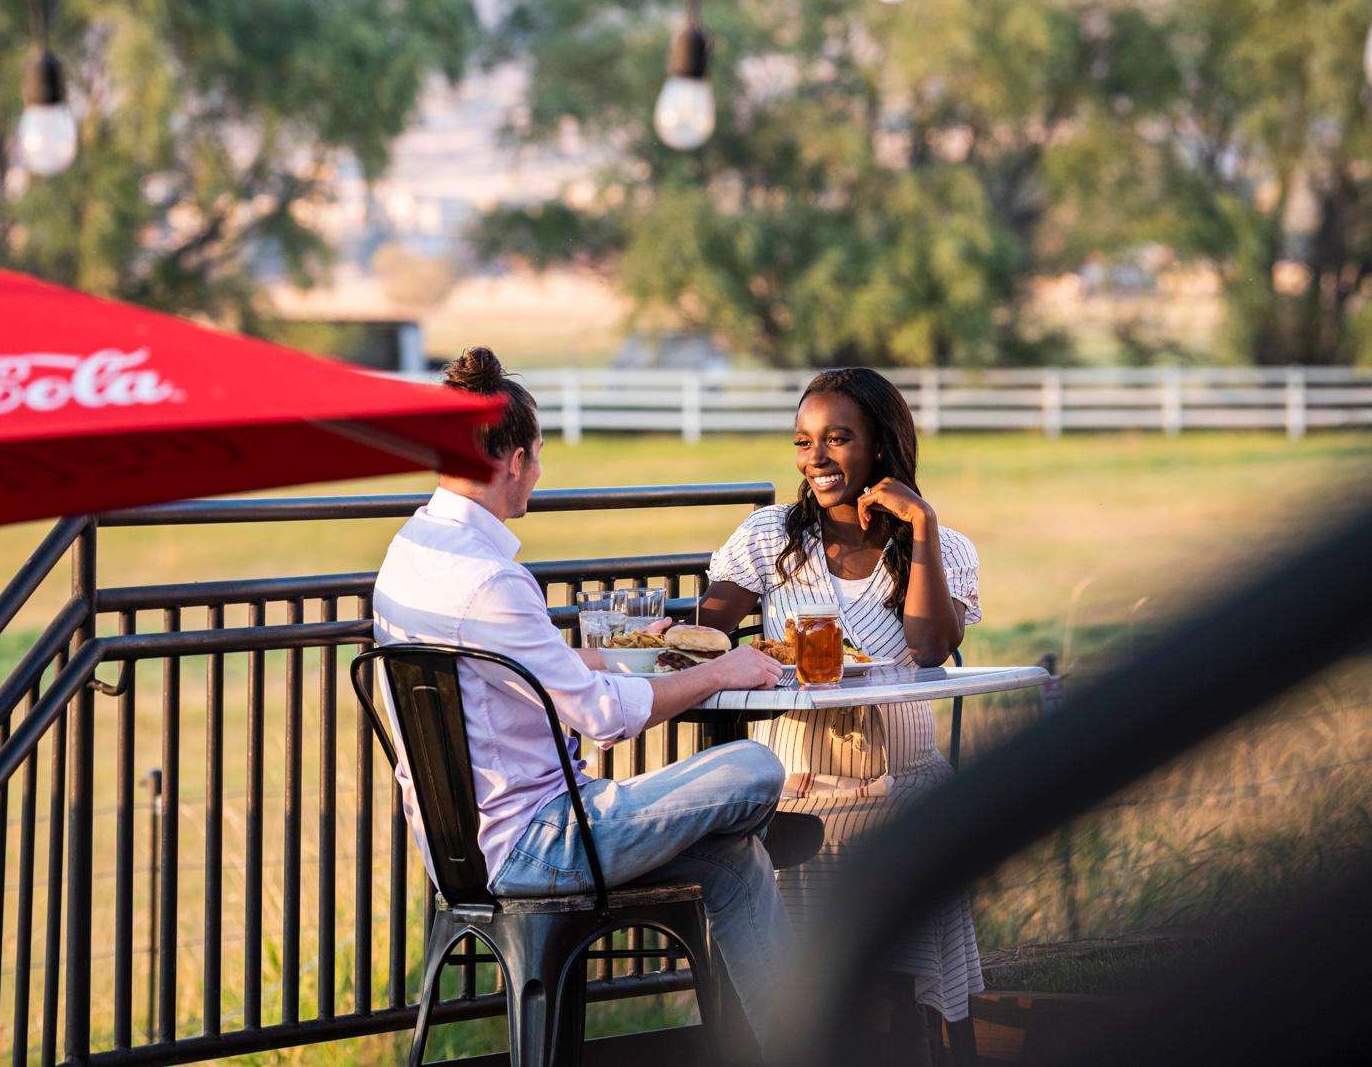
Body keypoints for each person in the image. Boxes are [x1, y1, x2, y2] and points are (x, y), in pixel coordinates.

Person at [371, 347, 799, 1056]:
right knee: (753, 767)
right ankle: (746, 820)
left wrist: (617, 655)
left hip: (463, 847)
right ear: (510, 460)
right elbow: (601, 716)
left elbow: (504, 671)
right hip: (541, 844)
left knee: (736, 857)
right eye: (537, 456)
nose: (538, 473)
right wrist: (726, 671)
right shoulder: (491, 580)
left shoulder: (413, 551)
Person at [697, 366, 987, 1042]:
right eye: (803, 441)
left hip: (902, 783)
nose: (815, 458)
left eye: (836, 439)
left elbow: (930, 647)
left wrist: (922, 526)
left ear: (879, 447)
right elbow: (706, 638)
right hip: (793, 788)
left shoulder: (938, 548)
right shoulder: (771, 537)